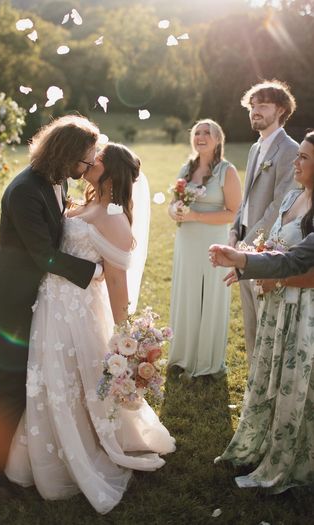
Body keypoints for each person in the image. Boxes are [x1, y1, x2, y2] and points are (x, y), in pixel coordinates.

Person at [5, 143, 175, 514]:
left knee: (70, 378)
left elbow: (116, 280)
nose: (88, 161)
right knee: (50, 378)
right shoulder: (84, 200)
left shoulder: (114, 216)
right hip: (51, 303)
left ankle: (82, 451)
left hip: (77, 311)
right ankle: (45, 450)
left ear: (109, 171)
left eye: (95, 159)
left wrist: (124, 334)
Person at [0, 115, 102, 493]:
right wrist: (94, 270)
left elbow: (57, 220)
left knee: (32, 381)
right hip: (10, 303)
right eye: (84, 161)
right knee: (12, 389)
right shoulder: (24, 190)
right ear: (64, 155)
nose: (88, 167)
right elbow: (43, 255)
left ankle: (23, 459)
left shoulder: (58, 178)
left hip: (36, 298)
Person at [213, 131, 314, 492]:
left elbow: (306, 266)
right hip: (276, 305)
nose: (295, 162)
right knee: (266, 373)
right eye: (297, 155)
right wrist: (253, 263)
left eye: (303, 157)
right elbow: (271, 243)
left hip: (303, 312)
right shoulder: (290, 196)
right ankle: (262, 442)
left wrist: (269, 274)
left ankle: (293, 458)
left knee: (295, 384)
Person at [229, 80, 298, 364]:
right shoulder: (255, 148)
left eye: (263, 106)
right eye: (253, 106)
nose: (255, 112)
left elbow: (279, 204)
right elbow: (246, 198)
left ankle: (267, 386)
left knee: (267, 319)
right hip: (244, 241)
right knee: (250, 321)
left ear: (280, 110)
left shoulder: (289, 150)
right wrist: (234, 231)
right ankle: (252, 384)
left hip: (266, 247)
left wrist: (249, 243)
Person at [167, 119, 241, 378]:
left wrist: (196, 216)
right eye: (197, 132)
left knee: (209, 296)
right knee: (186, 294)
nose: (200, 136)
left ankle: (207, 361)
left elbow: (233, 212)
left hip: (213, 243)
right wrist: (174, 211)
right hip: (186, 242)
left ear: (218, 139)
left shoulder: (226, 171)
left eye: (207, 132)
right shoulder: (185, 168)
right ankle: (182, 356)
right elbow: (172, 204)